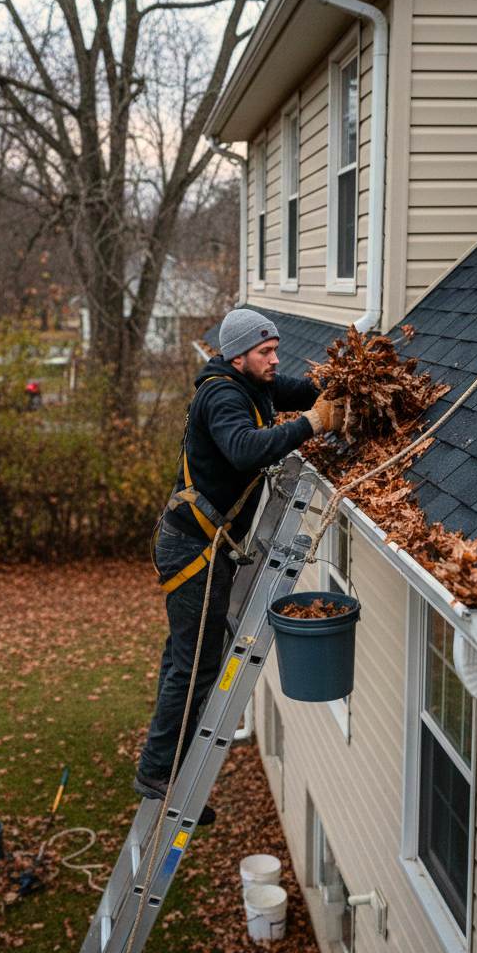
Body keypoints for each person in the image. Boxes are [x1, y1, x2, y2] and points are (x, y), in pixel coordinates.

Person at [135, 308, 343, 824]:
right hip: (193, 550)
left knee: (184, 658)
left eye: (275, 349)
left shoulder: (255, 384)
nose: (275, 360)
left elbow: (301, 388)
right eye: (265, 352)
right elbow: (244, 449)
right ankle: (159, 771)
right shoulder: (223, 396)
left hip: (203, 545)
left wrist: (339, 389)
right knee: (197, 664)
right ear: (237, 356)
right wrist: (313, 423)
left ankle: (165, 764)